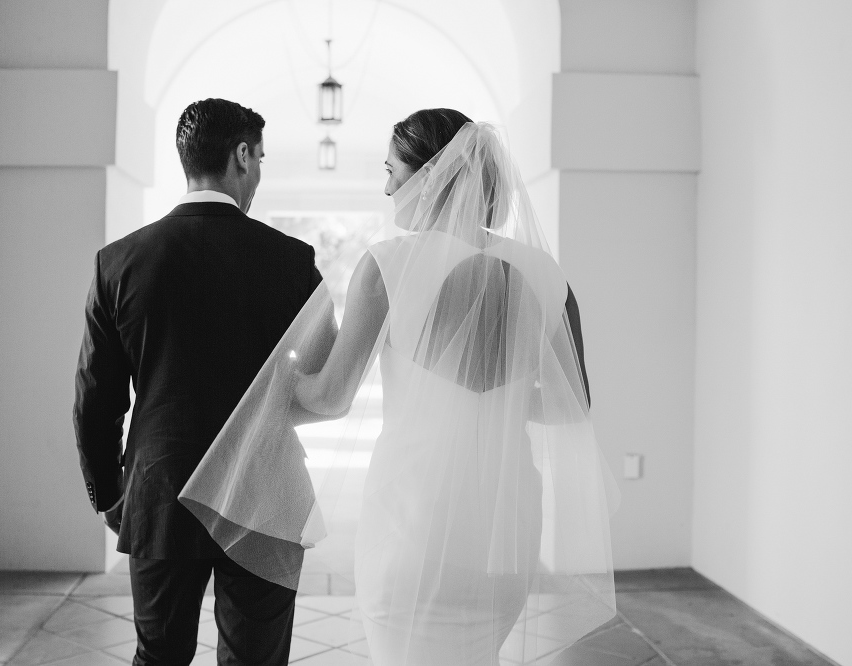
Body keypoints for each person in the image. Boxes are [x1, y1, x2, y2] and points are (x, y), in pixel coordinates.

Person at [181, 109, 618, 664]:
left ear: (430, 176)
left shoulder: (388, 265)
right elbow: (571, 405)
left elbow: (331, 398)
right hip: (504, 533)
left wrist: (286, 374)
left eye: (392, 172)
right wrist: (500, 402)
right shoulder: (545, 273)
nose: (387, 189)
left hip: (414, 525)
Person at [74, 98, 324, 666]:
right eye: (258, 158)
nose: (258, 174)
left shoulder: (118, 262)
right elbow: (318, 380)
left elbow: (96, 399)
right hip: (264, 490)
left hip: (159, 491)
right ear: (240, 155)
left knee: (158, 655)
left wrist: (111, 491)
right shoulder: (291, 260)